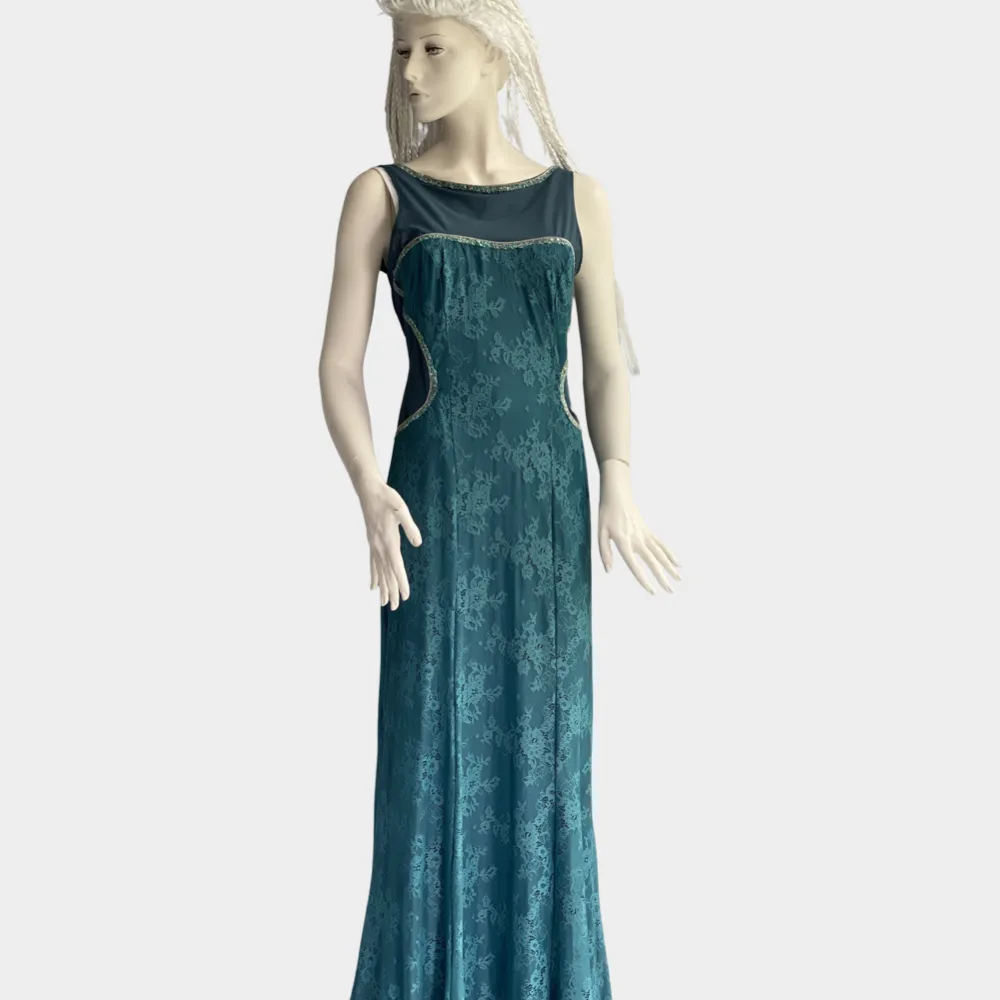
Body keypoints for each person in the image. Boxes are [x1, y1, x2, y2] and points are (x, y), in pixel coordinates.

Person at [318, 3, 682, 997]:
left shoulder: (577, 199)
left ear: (495, 54)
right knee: (429, 753)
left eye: (432, 47)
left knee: (547, 759)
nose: (409, 71)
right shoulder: (382, 195)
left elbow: (605, 363)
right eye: (401, 48)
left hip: (546, 513)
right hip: (429, 511)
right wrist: (368, 488)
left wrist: (618, 478)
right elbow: (338, 366)